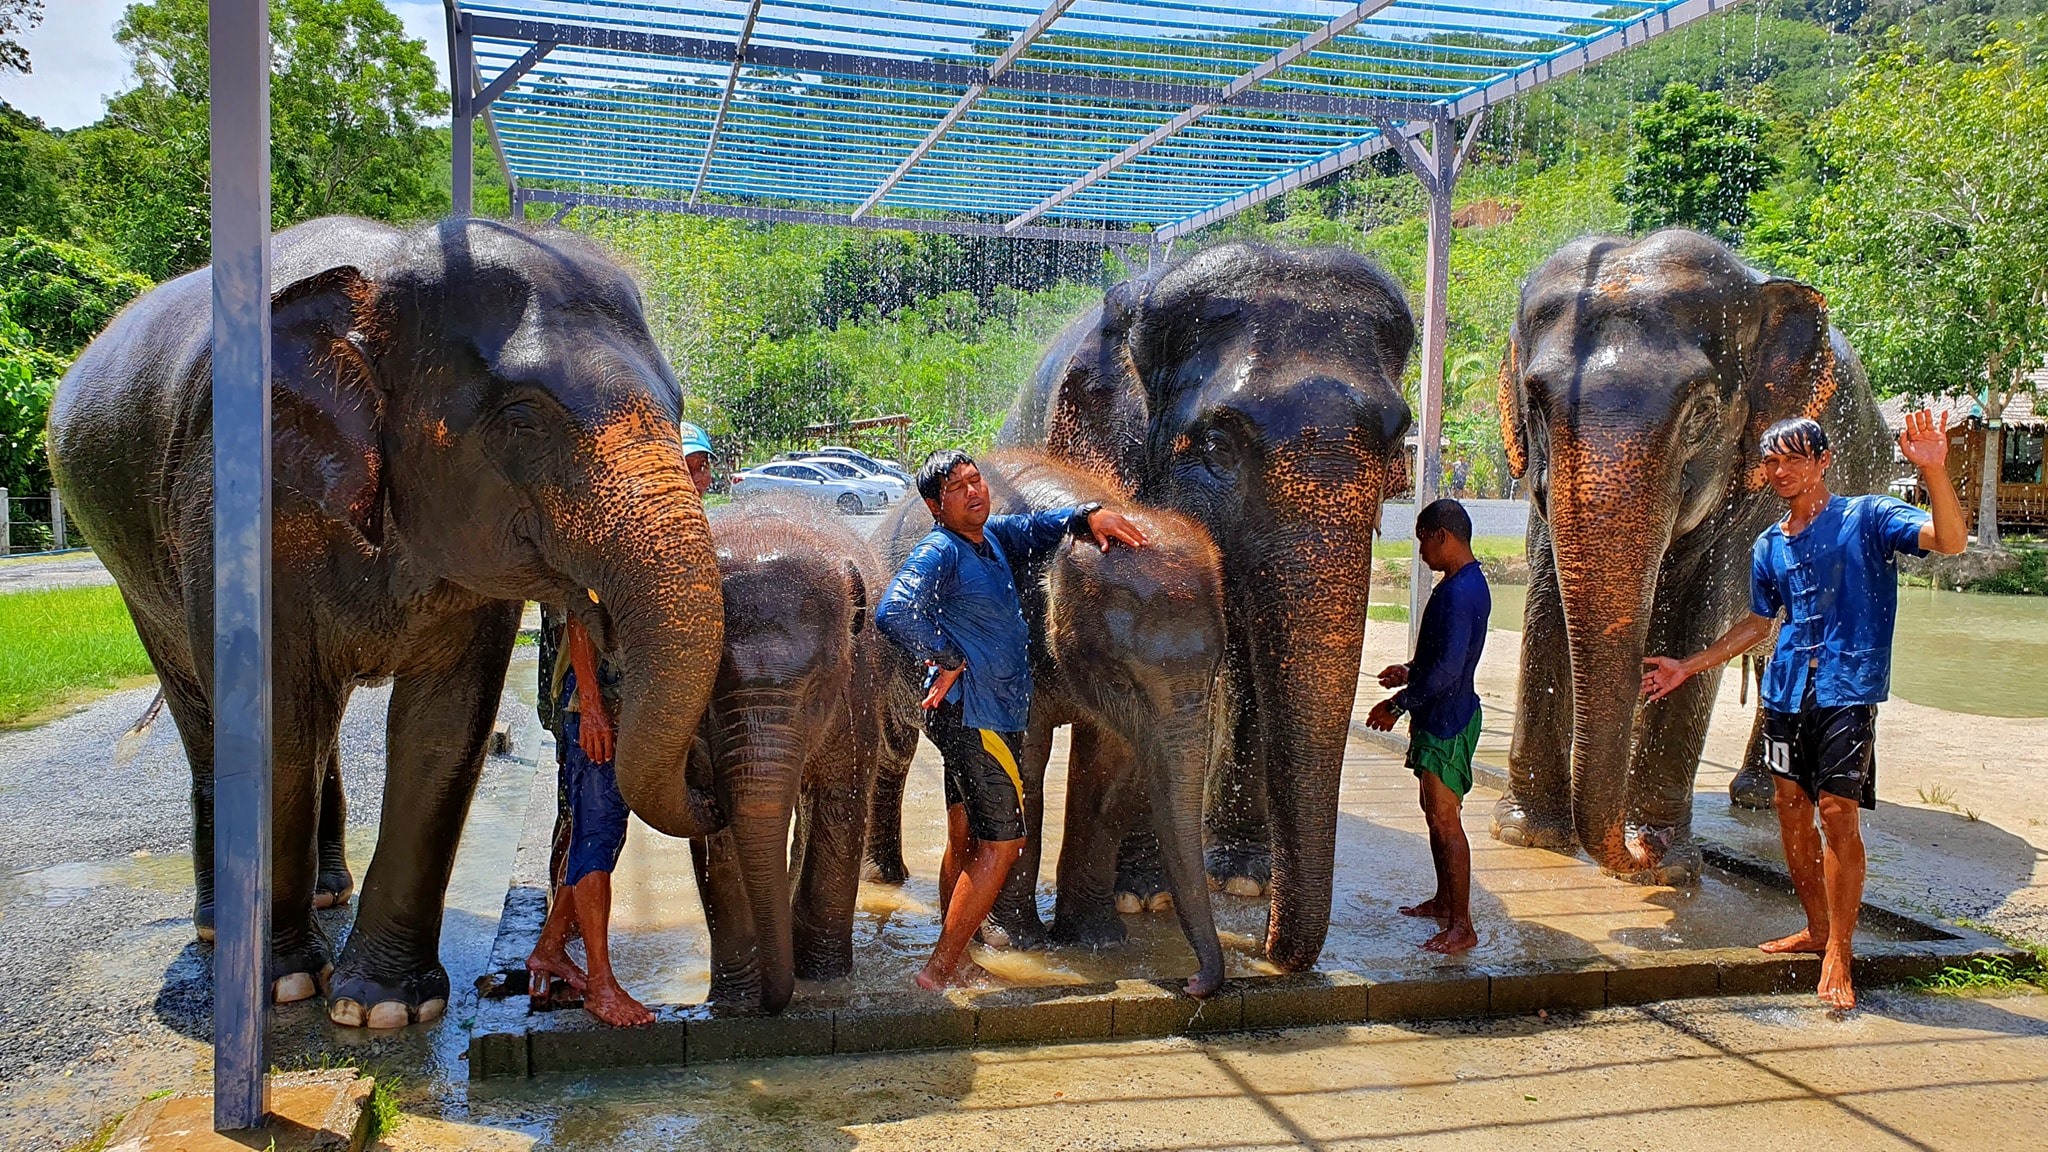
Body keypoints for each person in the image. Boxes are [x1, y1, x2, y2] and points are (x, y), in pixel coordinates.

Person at [1643, 410, 1966, 1011]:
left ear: (1822, 462)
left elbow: (1948, 541)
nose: (1782, 470)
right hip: (1786, 693)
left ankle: (1841, 950)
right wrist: (1689, 665)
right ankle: (1816, 929)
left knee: (1838, 811)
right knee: (1790, 809)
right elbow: (1760, 624)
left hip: (1847, 689)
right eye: (1772, 461)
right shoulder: (1770, 544)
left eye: (1795, 458)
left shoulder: (1868, 517)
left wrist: (1936, 471)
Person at [875, 449, 1148, 991]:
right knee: (1004, 845)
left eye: (976, 481)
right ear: (935, 505)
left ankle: (958, 956)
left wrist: (1087, 514)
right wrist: (947, 656)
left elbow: (1036, 527)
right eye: (958, 488)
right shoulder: (939, 552)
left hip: (969, 713)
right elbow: (893, 611)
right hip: (980, 717)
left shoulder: (991, 538)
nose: (974, 492)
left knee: (965, 834)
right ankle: (938, 971)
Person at [526, 419, 719, 1027]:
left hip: (640, 707)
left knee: (608, 829)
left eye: (700, 465)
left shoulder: (690, 534)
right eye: (680, 465)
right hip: (598, 710)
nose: (691, 477)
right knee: (597, 833)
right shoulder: (621, 531)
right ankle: (601, 986)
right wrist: (591, 707)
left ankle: (552, 950)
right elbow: (580, 619)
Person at [1366, 498, 1490, 954]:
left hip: (1449, 720)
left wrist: (1397, 705)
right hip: (1440, 712)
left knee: (1446, 819)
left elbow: (1449, 672)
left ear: (1443, 536)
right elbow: (1438, 661)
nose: (1421, 553)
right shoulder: (1458, 584)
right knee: (1433, 814)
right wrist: (1409, 668)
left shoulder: (1461, 593)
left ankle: (1463, 925)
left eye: (1423, 542)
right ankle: (1444, 902)